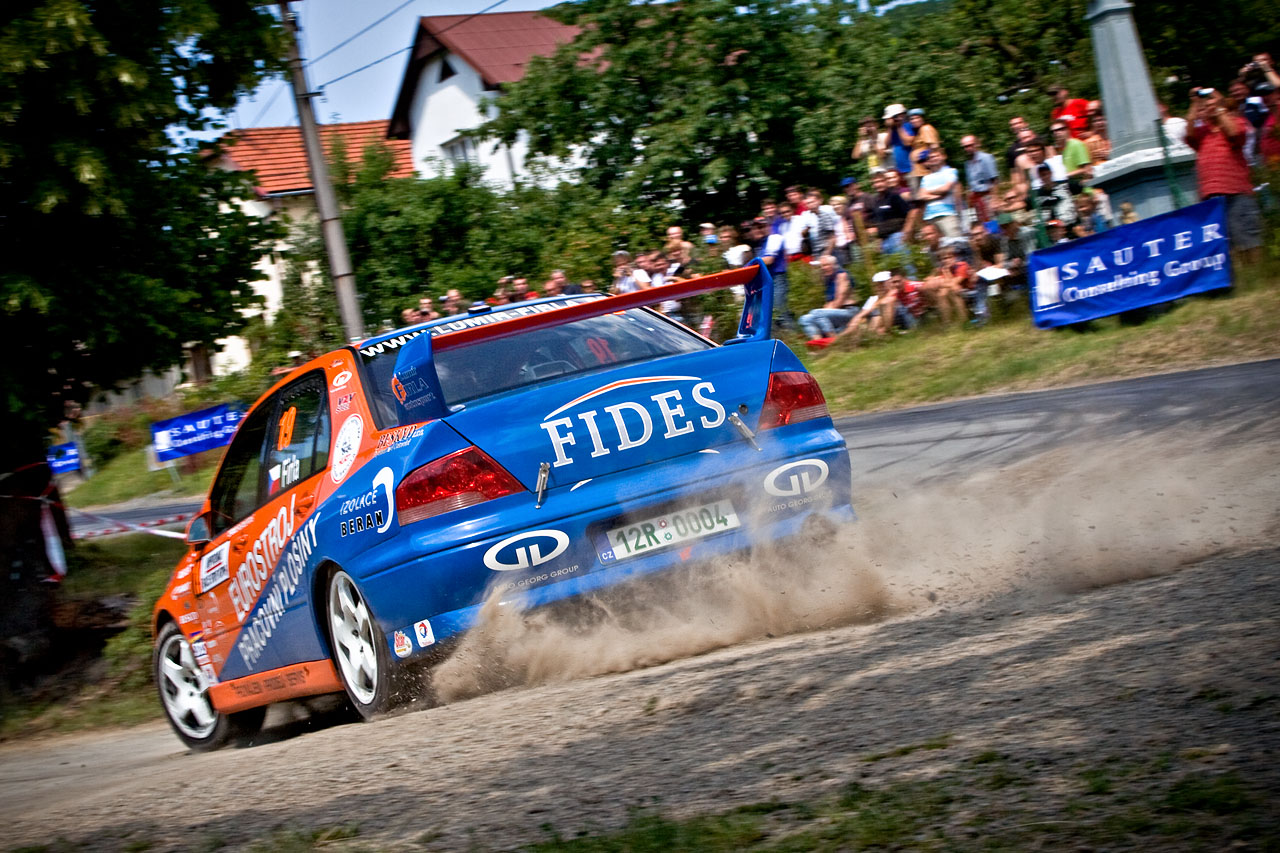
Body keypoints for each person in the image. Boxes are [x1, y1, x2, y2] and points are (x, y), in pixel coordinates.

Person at [1185, 86, 1262, 264]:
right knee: (1223, 243)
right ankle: (1241, 280)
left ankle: (1258, 274)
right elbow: (1189, 132)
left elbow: (1234, 133)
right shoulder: (1203, 132)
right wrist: (1195, 103)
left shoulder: (1238, 122)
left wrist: (1219, 107)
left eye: (1211, 100)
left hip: (1236, 191)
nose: (1208, 105)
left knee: (1247, 237)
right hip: (1210, 195)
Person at [748, 217, 795, 331]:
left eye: (761, 227)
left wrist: (747, 266)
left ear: (768, 227)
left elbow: (769, 260)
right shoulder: (760, 243)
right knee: (770, 315)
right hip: (767, 281)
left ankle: (795, 337)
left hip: (778, 279)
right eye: (755, 228)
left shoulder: (774, 238)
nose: (758, 230)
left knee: (780, 311)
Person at [798, 255, 859, 344]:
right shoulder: (829, 280)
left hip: (849, 311)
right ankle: (819, 343)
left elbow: (840, 298)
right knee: (804, 319)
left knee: (816, 313)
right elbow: (829, 303)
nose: (824, 268)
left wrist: (823, 313)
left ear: (834, 265)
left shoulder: (842, 275)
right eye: (822, 266)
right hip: (836, 314)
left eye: (827, 265)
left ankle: (833, 341)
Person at [916, 149, 961, 239]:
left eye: (936, 156)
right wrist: (938, 195)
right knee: (938, 247)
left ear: (943, 157)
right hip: (930, 216)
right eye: (931, 157)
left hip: (947, 214)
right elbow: (921, 196)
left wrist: (929, 192)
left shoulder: (951, 171)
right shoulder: (926, 178)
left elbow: (946, 188)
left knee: (955, 242)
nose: (933, 158)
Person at [865, 169, 912, 256]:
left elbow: (909, 212)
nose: (879, 184)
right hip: (884, 241)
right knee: (893, 269)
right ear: (873, 185)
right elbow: (877, 222)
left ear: (886, 182)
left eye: (881, 181)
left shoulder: (894, 196)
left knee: (906, 266)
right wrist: (878, 240)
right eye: (876, 182)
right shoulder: (875, 201)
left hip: (897, 236)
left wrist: (906, 231)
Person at [961, 135, 1000, 223]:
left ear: (977, 144)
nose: (968, 148)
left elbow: (994, 179)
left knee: (993, 223)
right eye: (965, 146)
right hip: (976, 198)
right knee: (982, 225)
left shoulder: (986, 158)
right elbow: (971, 183)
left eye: (970, 145)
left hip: (987, 195)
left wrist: (995, 199)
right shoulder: (967, 163)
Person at [905, 108, 941, 187]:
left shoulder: (926, 128)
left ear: (922, 119)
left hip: (926, 171)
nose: (914, 120)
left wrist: (926, 160)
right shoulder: (917, 132)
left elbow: (934, 146)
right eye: (912, 119)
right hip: (918, 171)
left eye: (917, 118)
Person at [883, 104, 914, 178]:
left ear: (902, 115)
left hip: (911, 168)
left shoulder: (908, 126)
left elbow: (908, 143)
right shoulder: (892, 130)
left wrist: (899, 126)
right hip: (900, 170)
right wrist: (890, 128)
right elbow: (886, 145)